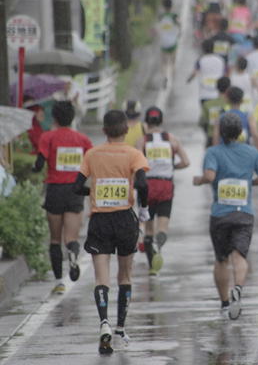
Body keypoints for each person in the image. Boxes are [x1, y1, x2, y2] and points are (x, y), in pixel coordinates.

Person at [73, 110, 150, 353]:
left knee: (101, 278)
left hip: (100, 221)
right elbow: (142, 183)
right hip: (125, 220)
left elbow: (77, 187)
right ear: (127, 130)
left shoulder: (92, 154)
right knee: (125, 276)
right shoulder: (134, 154)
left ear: (104, 130)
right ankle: (119, 328)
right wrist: (144, 208)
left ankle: (103, 323)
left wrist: (94, 190)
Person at [193, 113, 258, 319]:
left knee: (221, 260)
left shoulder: (213, 152)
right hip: (244, 213)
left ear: (220, 132)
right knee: (239, 256)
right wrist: (249, 183)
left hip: (220, 214)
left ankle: (225, 303)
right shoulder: (252, 152)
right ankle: (238, 287)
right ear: (240, 132)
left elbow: (209, 176)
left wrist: (199, 180)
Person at [33, 101, 93, 294]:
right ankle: (73, 254)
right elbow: (92, 166)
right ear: (73, 117)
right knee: (71, 238)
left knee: (55, 240)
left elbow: (39, 164)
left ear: (55, 118)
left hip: (55, 191)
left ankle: (59, 282)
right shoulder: (83, 140)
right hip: (75, 191)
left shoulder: (48, 137)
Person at [135, 107, 190, 276]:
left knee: (148, 229)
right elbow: (186, 162)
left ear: (146, 123)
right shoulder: (172, 139)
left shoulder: (141, 140)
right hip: (166, 185)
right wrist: (171, 167)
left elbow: (136, 166)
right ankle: (159, 245)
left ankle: (152, 267)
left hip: (147, 186)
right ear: (162, 121)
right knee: (163, 228)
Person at [186, 39, 226, 119]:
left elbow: (195, 72)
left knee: (206, 117)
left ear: (203, 49)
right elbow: (225, 73)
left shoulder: (201, 61)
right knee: (218, 116)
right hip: (217, 94)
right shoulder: (220, 60)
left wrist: (189, 79)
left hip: (205, 94)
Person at [156, 0, 180, 88]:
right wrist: (179, 31)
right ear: (171, 6)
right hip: (173, 42)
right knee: (173, 63)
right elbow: (179, 23)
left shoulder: (161, 17)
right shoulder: (173, 16)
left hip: (163, 43)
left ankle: (165, 76)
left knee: (164, 63)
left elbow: (158, 27)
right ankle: (173, 82)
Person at [201, 77, 231, 148]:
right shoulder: (229, 105)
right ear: (228, 89)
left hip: (210, 137)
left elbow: (202, 122)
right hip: (226, 139)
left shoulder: (207, 104)